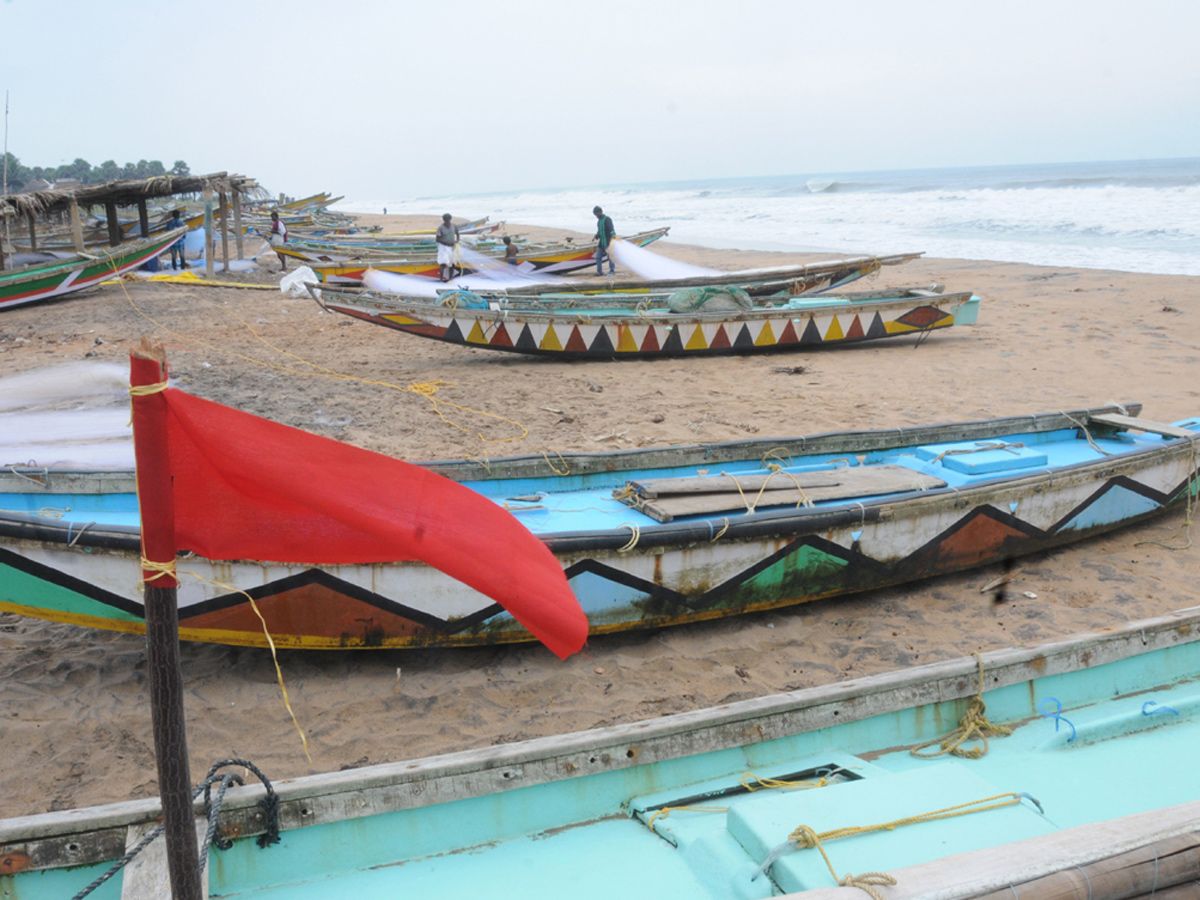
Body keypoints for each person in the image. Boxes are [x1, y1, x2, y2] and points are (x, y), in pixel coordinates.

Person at [435, 213, 460, 281]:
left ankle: (450, 278)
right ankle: (441, 279)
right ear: (443, 220)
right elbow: (437, 239)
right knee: (443, 263)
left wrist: (457, 241)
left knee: (452, 264)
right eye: (445, 220)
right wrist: (446, 242)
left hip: (452, 247)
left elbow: (457, 234)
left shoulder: (453, 226)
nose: (446, 221)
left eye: (447, 220)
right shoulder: (441, 228)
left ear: (450, 219)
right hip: (444, 247)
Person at [593, 205, 616, 276]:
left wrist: (613, 234)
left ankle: (612, 270)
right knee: (598, 257)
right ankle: (599, 272)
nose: (596, 216)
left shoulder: (607, 219)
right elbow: (599, 231)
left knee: (610, 256)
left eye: (596, 214)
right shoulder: (599, 222)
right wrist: (596, 236)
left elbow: (611, 228)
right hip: (601, 243)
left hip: (608, 241)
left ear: (600, 212)